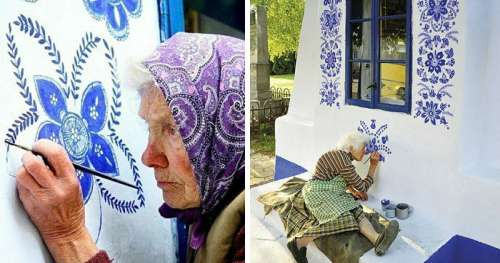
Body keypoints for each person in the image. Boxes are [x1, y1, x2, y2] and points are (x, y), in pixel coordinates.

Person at [15, 32, 245, 263]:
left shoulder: (255, 230)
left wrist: (69, 237)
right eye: (149, 127)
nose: (149, 157)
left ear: (230, 125)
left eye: (173, 129)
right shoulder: (216, 215)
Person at [258, 133, 398, 263]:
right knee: (345, 217)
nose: (365, 151)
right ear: (350, 147)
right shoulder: (341, 159)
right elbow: (362, 186)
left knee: (356, 209)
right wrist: (373, 167)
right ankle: (299, 242)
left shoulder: (341, 158)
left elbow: (339, 177)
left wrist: (352, 190)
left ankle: (377, 239)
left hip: (333, 193)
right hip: (318, 193)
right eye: (362, 148)